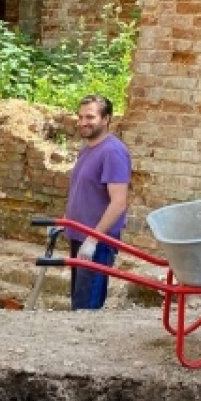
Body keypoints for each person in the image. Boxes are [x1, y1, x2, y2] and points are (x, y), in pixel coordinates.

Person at [64, 93, 132, 310]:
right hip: (79, 235)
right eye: (81, 117)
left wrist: (93, 241)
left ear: (106, 119)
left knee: (86, 307)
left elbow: (119, 202)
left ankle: (83, 342)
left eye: (90, 117)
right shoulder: (87, 148)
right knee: (78, 300)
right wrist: (65, 221)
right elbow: (83, 191)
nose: (83, 122)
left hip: (97, 241)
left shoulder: (113, 152)